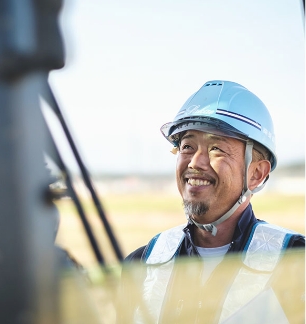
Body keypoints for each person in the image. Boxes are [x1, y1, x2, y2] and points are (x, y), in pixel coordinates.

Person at [118, 80, 305, 323]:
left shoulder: (295, 262)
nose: (195, 162)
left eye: (217, 148)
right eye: (187, 146)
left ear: (256, 174)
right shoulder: (141, 264)